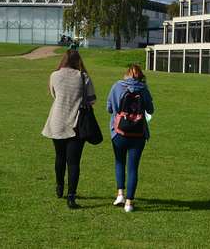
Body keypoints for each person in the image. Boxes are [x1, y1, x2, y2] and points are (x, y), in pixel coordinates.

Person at [41, 49, 95, 209]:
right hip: (76, 123)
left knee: (59, 156)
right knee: (74, 162)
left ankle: (59, 186)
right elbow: (92, 100)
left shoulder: (54, 75)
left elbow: (54, 95)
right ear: (78, 61)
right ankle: (71, 196)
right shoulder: (83, 77)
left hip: (57, 120)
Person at [106, 64, 154, 212]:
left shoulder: (117, 86)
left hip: (119, 132)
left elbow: (109, 108)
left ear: (126, 74)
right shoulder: (143, 89)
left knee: (119, 162)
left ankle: (120, 193)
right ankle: (129, 202)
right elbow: (151, 110)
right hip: (138, 134)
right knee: (133, 167)